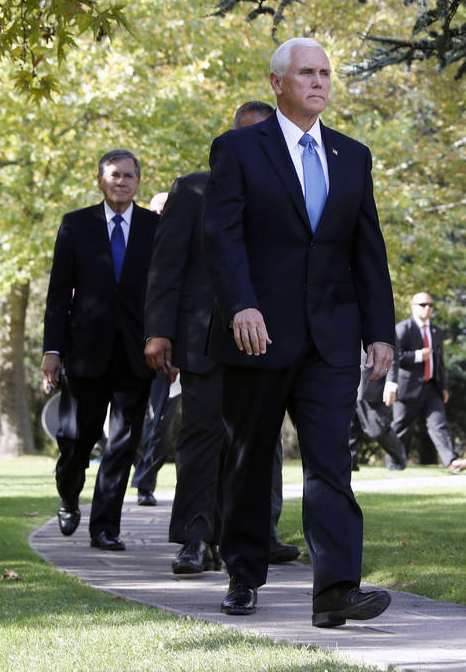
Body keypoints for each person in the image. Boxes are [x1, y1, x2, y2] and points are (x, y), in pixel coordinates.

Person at [203, 37, 396, 627]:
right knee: (248, 457)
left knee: (331, 462)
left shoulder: (352, 156)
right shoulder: (238, 150)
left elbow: (367, 249)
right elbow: (223, 236)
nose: (319, 82)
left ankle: (336, 589)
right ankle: (243, 572)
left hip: (330, 338)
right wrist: (241, 305)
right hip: (256, 334)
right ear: (276, 82)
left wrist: (380, 330)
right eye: (307, 73)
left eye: (325, 74)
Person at [144, 101, 299, 575]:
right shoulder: (193, 190)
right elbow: (166, 265)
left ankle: (256, 535)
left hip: (265, 341)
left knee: (258, 442)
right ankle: (194, 538)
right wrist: (158, 332)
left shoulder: (289, 192)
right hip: (203, 339)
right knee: (201, 437)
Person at [41, 149, 159, 551]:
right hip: (85, 352)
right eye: (114, 175)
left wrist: (166, 342)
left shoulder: (154, 227)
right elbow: (58, 295)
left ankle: (105, 526)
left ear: (138, 182)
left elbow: (164, 293)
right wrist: (52, 350)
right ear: (100, 180)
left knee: (123, 443)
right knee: (77, 438)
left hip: (136, 354)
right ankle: (69, 494)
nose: (122, 182)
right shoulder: (76, 226)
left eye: (129, 176)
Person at [386, 292, 466, 473]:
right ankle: (393, 464)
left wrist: (443, 387)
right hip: (407, 388)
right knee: (401, 427)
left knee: (439, 425)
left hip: (431, 387)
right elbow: (394, 358)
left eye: (430, 305)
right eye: (422, 304)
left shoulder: (437, 331)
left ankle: (453, 462)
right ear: (412, 307)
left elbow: (439, 362)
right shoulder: (402, 329)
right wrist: (419, 355)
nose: (427, 308)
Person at [132, 192, 181, 508]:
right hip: (133, 347)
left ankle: (145, 483)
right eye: (156, 210)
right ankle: (139, 474)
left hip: (169, 352)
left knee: (161, 421)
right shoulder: (139, 247)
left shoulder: (182, 249)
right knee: (138, 419)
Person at [349, 349, 407, 471]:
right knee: (349, 427)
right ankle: (349, 462)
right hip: (347, 382)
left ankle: (399, 456)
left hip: (371, 384)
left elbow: (392, 354)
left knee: (376, 430)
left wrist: (391, 384)